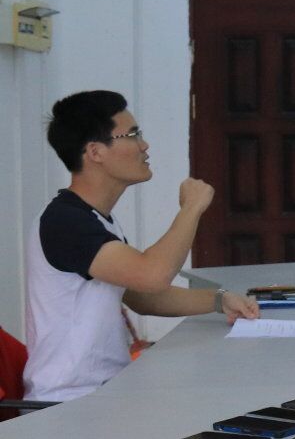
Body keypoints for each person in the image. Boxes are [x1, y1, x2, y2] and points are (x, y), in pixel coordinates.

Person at [25, 91, 259, 402]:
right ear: (95, 152)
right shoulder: (65, 222)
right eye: (133, 135)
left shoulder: (96, 219)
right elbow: (152, 275)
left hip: (105, 393)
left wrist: (219, 300)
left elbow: (141, 295)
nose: (144, 145)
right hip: (69, 402)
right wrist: (191, 208)